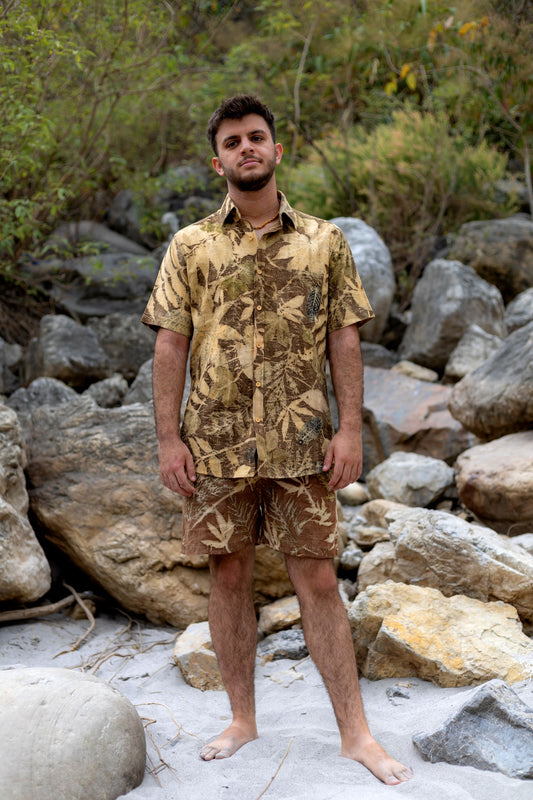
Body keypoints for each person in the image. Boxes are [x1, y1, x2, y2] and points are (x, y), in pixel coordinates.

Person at [142, 94, 413, 786]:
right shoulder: (190, 245)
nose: (246, 149)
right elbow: (170, 344)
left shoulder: (324, 240)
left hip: (301, 446)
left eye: (256, 137)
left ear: (276, 149)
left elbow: (343, 338)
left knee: (317, 580)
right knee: (228, 576)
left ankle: (355, 734)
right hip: (215, 445)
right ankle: (242, 720)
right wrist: (169, 439)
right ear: (218, 161)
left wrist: (350, 428)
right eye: (232, 142)